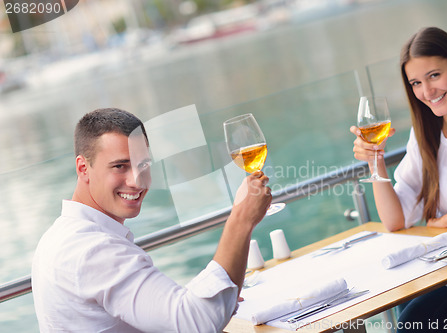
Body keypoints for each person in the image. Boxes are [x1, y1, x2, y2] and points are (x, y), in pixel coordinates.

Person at [32, 108, 272, 332]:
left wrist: (217, 299)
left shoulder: (57, 237)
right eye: (119, 166)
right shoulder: (93, 250)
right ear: (83, 168)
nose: (137, 181)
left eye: (143, 165)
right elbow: (198, 324)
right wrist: (242, 218)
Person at [351, 27, 447, 331]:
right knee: (408, 326)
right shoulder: (425, 137)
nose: (427, 92)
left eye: (434, 75)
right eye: (416, 83)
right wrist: (375, 161)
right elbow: (395, 221)